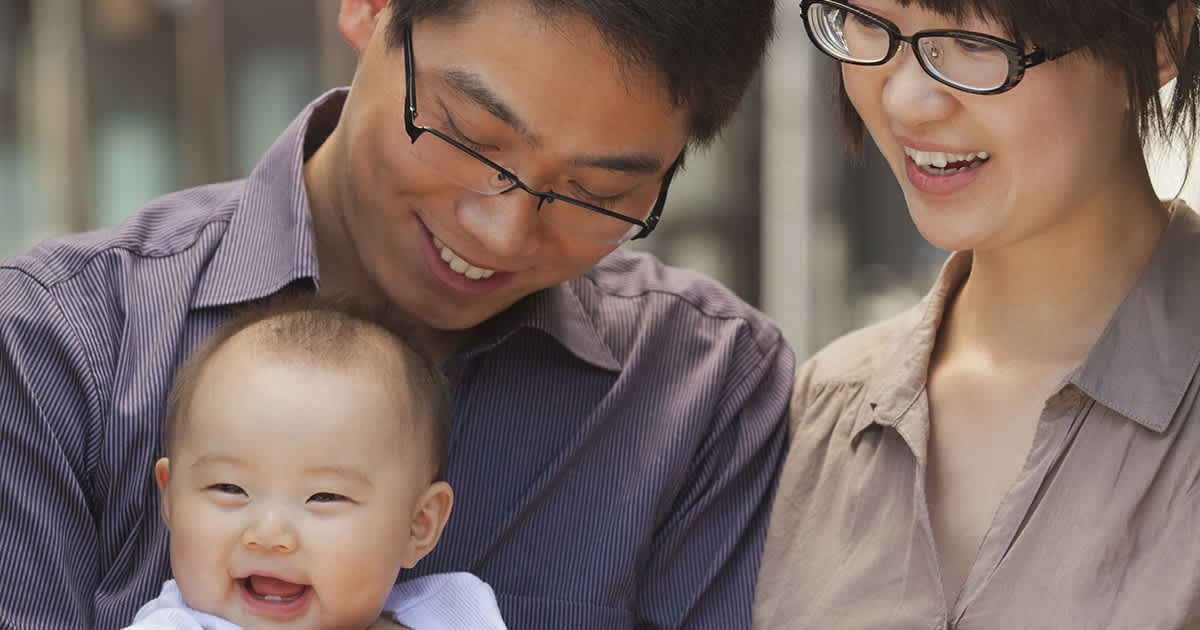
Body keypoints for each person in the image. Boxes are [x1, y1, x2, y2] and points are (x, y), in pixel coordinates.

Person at [0, 0, 794, 628]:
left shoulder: (707, 394)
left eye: (598, 194)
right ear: (370, 9)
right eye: (470, 136)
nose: (499, 231)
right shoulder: (58, 347)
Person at [753, 0, 1200, 627]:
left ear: (1159, 36)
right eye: (865, 20)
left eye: (972, 40)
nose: (906, 100)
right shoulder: (813, 416)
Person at [125, 296, 507, 630]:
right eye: (229, 488)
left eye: (324, 496)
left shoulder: (450, 613)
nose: (268, 535)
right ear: (171, 499)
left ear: (418, 525)